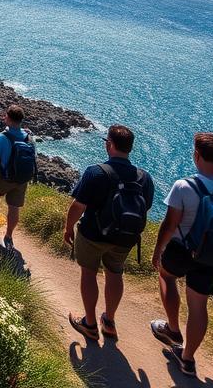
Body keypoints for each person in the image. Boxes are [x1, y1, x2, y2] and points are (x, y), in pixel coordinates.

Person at [150, 132, 213, 377]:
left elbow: (170, 224)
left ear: (197, 155)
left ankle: (173, 330)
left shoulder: (184, 186)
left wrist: (157, 250)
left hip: (181, 249)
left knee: (167, 277)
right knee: (199, 306)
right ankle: (187, 358)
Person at [63, 124, 154, 342]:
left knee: (89, 273)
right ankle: (110, 322)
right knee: (115, 274)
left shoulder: (96, 172)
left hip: (93, 234)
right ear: (129, 148)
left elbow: (78, 205)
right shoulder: (144, 177)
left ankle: (90, 324)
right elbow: (145, 207)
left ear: (109, 145)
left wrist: (68, 227)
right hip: (124, 237)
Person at [0, 104, 34, 248]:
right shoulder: (29, 137)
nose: (3, 117)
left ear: (10, 119)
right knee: (14, 208)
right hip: (20, 179)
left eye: (5, 115)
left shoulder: (0, 137)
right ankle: (9, 236)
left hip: (3, 178)